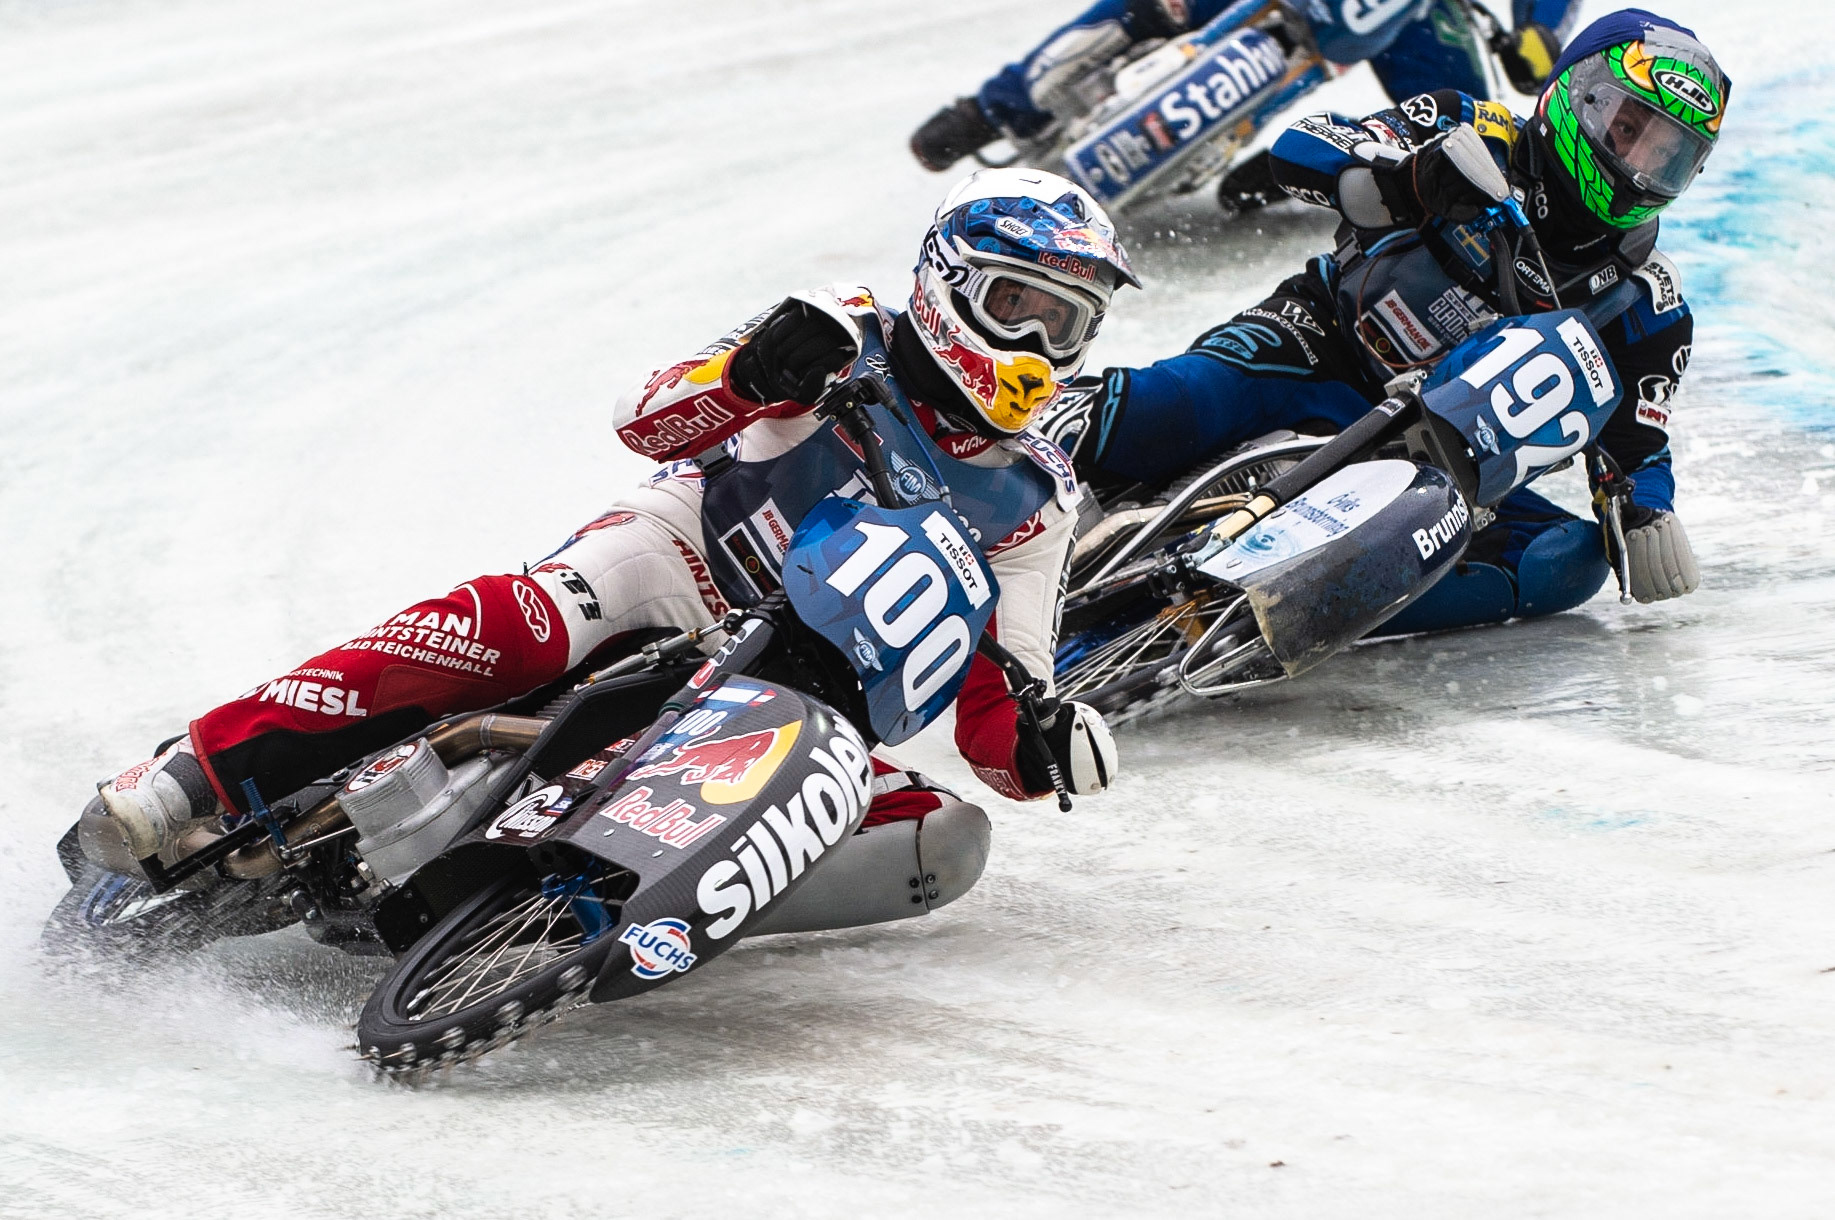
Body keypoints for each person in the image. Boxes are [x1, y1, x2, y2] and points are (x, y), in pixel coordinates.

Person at [77, 168, 1134, 934]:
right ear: (948, 279)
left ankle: (599, 919)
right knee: (518, 620)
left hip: (799, 692)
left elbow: (1002, 699)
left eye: (1065, 324)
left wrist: (1043, 741)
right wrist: (752, 374)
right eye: (1016, 306)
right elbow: (643, 417)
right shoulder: (840, 330)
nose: (1036, 346)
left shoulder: (1035, 494)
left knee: (932, 837)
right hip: (682, 567)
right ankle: (188, 775)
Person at [1051, 8, 1723, 626]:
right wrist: (1405, 179)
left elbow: (1635, 447)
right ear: (1574, 95)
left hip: (1438, 472)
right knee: (1175, 404)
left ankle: (1292, 609)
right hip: (1316, 344)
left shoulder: (1646, 306)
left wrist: (1642, 507)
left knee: (1565, 559)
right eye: (1628, 128)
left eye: (1665, 154)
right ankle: (1021, 449)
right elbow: (1302, 147)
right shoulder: (1467, 128)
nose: (1637, 164)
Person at [911, 0, 1580, 215]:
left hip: (1403, 10)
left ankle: (1325, 153)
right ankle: (998, 106)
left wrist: (1540, 27)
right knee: (1151, 8)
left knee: (1464, 124)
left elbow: (1538, 36)